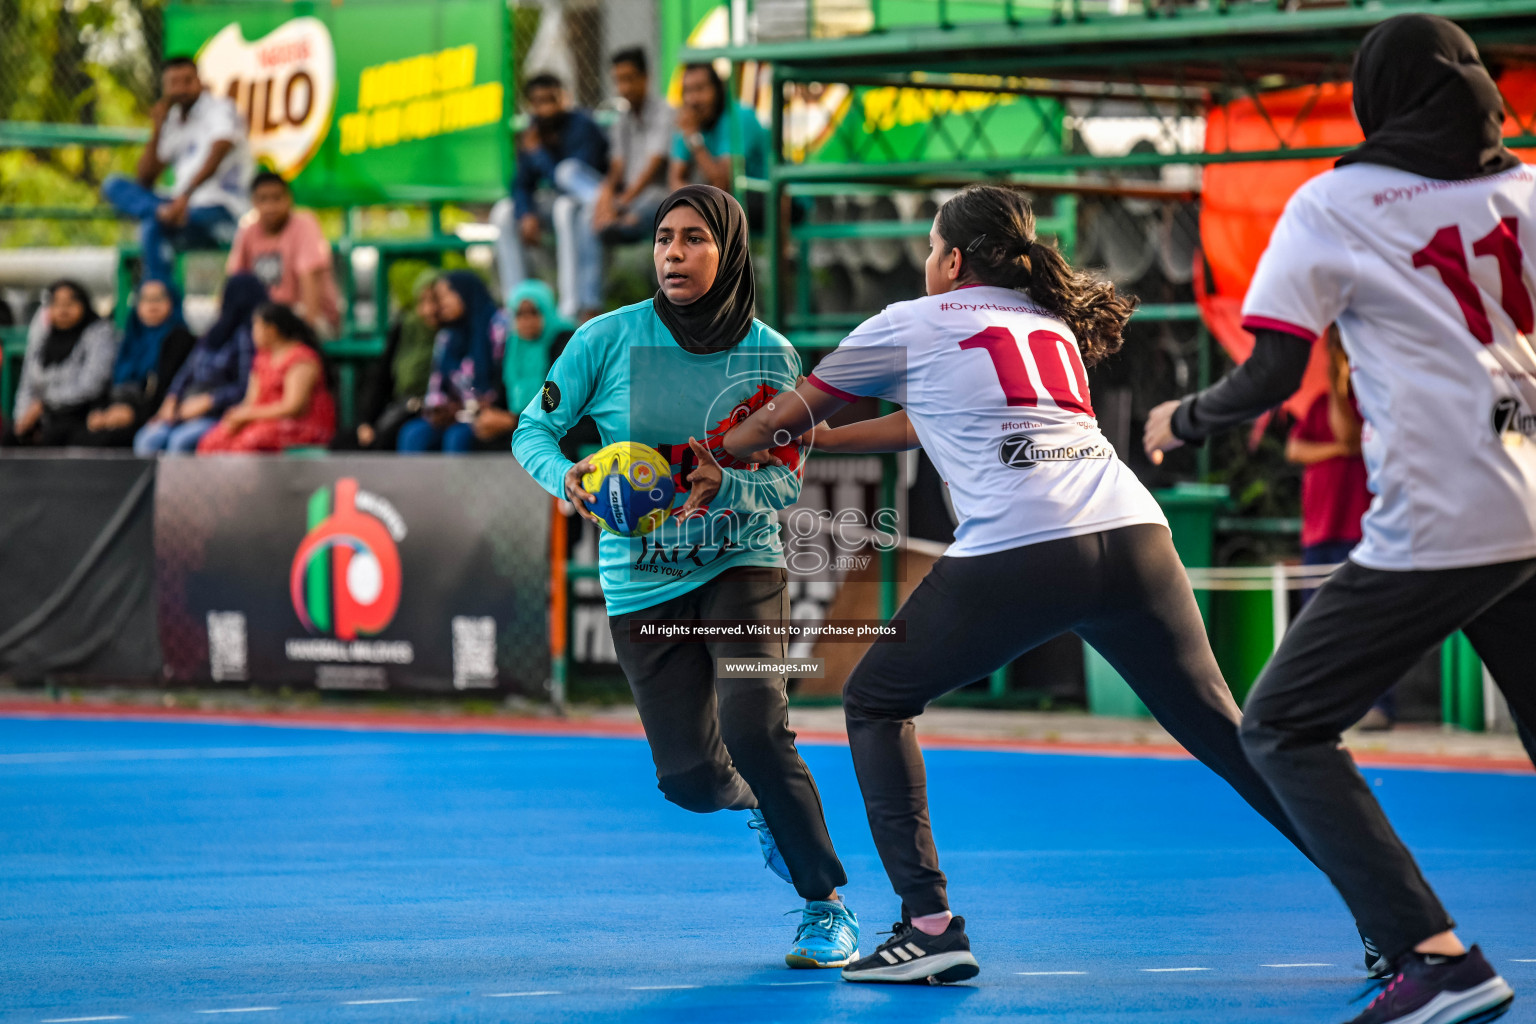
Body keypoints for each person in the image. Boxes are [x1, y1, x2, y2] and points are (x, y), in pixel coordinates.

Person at [723, 183, 1325, 985]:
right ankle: (1393, 918)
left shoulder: (908, 322)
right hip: (1134, 536)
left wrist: (724, 449)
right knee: (1226, 732)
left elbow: (778, 419)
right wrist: (825, 438)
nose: (925, 260)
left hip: (1026, 547)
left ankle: (928, 926)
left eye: (931, 246)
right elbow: (924, 419)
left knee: (875, 701)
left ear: (954, 258)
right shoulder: (1049, 327)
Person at [1143, 16, 1529, 1024]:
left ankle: (1434, 953)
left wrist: (1182, 418)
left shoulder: (1336, 202)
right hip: (1530, 503)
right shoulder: (1529, 189)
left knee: (1282, 725)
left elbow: (1275, 369)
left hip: (1446, 510)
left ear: (1375, 96)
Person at [511, 185, 861, 969]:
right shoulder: (605, 340)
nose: (673, 252)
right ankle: (759, 805)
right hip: (641, 582)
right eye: (665, 237)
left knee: (755, 725)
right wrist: (564, 477)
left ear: (728, 250)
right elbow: (534, 429)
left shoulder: (770, 355)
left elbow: (785, 481)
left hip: (742, 562)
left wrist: (724, 485)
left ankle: (825, 905)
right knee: (695, 781)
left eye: (694, 238)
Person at [1286, 331, 1397, 730]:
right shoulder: (1317, 405)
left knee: (1368, 621)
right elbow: (1296, 450)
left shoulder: (1371, 404)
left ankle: (1378, 705)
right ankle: (1321, 705)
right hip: (1320, 531)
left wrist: (1338, 386)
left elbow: (1351, 438)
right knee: (1316, 622)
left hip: (1359, 529)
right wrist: (1334, 449)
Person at [102, 55, 252, 284]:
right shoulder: (173, 120)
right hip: (179, 207)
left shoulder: (220, 109)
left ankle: (159, 297)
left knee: (152, 226)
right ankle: (159, 213)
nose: (180, 89)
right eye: (173, 83)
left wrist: (184, 197)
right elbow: (145, 179)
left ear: (200, 81)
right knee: (113, 185)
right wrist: (157, 128)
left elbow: (218, 151)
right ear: (165, 87)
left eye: (187, 81)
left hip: (220, 208)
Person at [490, 73, 609, 320]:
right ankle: (519, 306)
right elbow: (520, 183)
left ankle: (569, 308)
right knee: (502, 213)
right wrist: (526, 214)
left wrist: (539, 154)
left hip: (591, 200)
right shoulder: (533, 131)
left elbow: (571, 181)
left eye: (551, 100)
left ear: (564, 98)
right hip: (554, 203)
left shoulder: (582, 125)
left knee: (563, 207)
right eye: (539, 102)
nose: (546, 108)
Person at [135, 274, 266, 455]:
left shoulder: (247, 338)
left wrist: (209, 401)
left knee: (180, 441)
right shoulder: (214, 333)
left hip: (219, 413)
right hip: (186, 409)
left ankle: (178, 484)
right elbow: (188, 370)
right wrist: (171, 399)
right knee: (148, 439)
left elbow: (246, 386)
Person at [396, 271, 510, 454]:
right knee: (413, 434)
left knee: (457, 437)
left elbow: (503, 378)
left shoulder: (498, 326)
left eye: (448, 294)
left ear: (465, 291)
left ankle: (457, 484)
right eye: (439, 297)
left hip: (489, 412)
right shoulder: (447, 336)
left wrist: (478, 406)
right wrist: (439, 408)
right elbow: (437, 384)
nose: (442, 303)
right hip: (456, 413)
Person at [197, 303, 335, 453]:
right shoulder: (261, 359)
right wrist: (237, 416)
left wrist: (250, 415)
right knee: (212, 441)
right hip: (262, 421)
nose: (253, 333)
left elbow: (293, 407)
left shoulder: (301, 358)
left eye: (256, 327)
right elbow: (251, 400)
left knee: (250, 442)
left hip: (298, 425)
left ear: (271, 330)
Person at [81, 279, 197, 447]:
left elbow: (171, 387)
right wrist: (100, 412)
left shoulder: (180, 339)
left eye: (159, 298)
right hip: (118, 409)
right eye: (146, 299)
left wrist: (133, 414)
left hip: (153, 414)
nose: (152, 305)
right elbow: (109, 382)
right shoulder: (128, 339)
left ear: (173, 302)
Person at [226, 172, 341, 338]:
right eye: (263, 199)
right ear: (253, 202)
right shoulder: (248, 229)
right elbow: (234, 280)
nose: (270, 206)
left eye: (277, 198)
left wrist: (307, 333)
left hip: (306, 317)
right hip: (265, 322)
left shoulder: (304, 224)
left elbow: (309, 277)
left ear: (289, 199)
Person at [3, 280, 118, 447]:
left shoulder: (98, 333)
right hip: (41, 417)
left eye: (70, 303)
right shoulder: (43, 337)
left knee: (57, 435)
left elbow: (91, 385)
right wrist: (22, 419)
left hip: (81, 413)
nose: (63, 309)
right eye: (57, 303)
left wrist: (45, 404)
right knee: (11, 437)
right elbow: (27, 384)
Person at [472, 278, 575, 445]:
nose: (526, 320)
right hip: (522, 425)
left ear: (547, 311)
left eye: (534, 312)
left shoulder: (566, 342)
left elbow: (562, 402)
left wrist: (512, 421)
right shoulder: (514, 345)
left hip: (563, 428)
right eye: (520, 314)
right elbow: (502, 395)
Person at [349, 269, 439, 451]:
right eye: (422, 301)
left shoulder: (450, 336)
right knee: (349, 442)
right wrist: (366, 421)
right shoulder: (406, 328)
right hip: (399, 407)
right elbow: (381, 378)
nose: (429, 309)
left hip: (429, 411)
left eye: (435, 300)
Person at [668, 63, 768, 226]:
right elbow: (675, 181)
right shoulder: (690, 122)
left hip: (767, 195)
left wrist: (694, 138)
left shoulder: (739, 117)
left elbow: (723, 181)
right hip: (723, 199)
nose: (693, 99)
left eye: (700, 89)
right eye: (687, 91)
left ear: (718, 89)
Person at [593, 48, 674, 245]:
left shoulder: (665, 113)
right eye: (619, 81)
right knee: (569, 181)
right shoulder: (623, 118)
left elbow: (654, 167)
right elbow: (617, 167)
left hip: (653, 194)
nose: (624, 88)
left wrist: (621, 203)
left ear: (646, 78)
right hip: (626, 196)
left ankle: (618, 222)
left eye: (629, 79)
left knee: (644, 209)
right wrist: (606, 195)